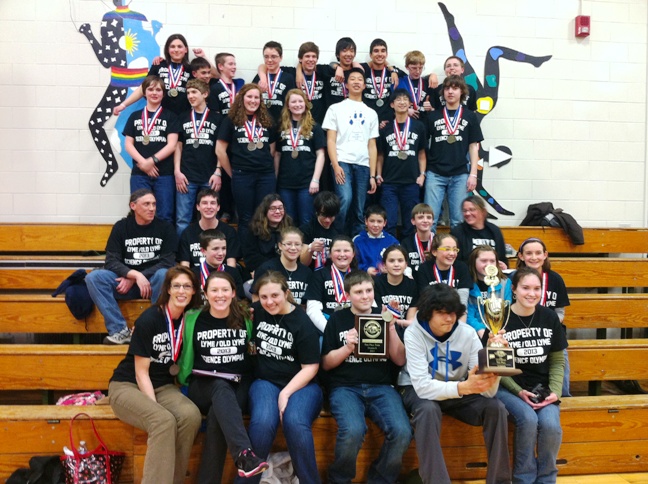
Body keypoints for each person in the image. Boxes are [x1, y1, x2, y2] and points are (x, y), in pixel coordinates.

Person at [398, 283, 511, 484]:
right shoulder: (413, 333)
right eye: (441, 313)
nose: (449, 318)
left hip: (458, 389)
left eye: (452, 313)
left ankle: (500, 481)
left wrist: (494, 371)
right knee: (427, 410)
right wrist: (463, 387)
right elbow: (422, 387)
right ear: (427, 313)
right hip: (418, 390)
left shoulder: (467, 333)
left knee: (496, 408)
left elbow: (487, 391)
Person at [108, 266, 202, 484]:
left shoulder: (190, 319)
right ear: (167, 289)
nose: (182, 291)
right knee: (163, 421)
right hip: (128, 385)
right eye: (176, 285)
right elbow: (141, 373)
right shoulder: (150, 319)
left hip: (163, 385)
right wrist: (155, 407)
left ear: (194, 291)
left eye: (187, 286)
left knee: (190, 416)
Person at [322, 270, 412, 483]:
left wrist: (390, 328)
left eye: (369, 290)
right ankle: (339, 480)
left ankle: (379, 479)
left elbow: (399, 360)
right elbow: (325, 363)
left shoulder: (384, 316)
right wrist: (347, 348)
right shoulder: (337, 318)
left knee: (402, 431)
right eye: (359, 291)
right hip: (345, 387)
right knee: (353, 430)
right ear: (348, 295)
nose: (365, 296)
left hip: (381, 387)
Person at [177, 271, 268, 482]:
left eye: (225, 290)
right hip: (203, 385)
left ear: (234, 292)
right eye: (214, 290)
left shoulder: (245, 317)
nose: (220, 295)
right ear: (206, 294)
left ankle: (240, 460)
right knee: (219, 386)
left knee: (219, 415)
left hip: (238, 384)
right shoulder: (192, 319)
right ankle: (244, 454)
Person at [248, 271, 322, 484]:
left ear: (286, 293)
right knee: (262, 423)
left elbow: (310, 367)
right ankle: (246, 481)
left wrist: (286, 393)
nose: (269, 302)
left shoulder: (302, 321)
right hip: (265, 381)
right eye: (263, 297)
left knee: (295, 422)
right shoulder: (257, 311)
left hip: (302, 384)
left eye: (275, 296)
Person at [497, 267, 568, 484]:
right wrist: (518, 391)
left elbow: (557, 360)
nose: (532, 293)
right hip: (509, 387)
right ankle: (523, 480)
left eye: (537, 288)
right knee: (527, 420)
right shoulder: (500, 317)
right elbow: (498, 368)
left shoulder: (548, 316)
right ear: (514, 290)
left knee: (551, 427)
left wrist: (555, 391)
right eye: (526, 288)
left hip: (542, 388)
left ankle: (547, 480)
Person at [86, 189, 177, 344]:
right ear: (133, 206)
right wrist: (133, 275)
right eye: (146, 204)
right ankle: (119, 330)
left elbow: (168, 261)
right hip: (125, 283)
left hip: (154, 285)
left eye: (154, 204)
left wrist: (140, 276)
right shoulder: (121, 227)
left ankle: (155, 330)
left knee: (164, 274)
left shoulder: (165, 228)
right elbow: (111, 261)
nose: (152, 208)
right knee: (93, 277)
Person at [216, 83, 277, 242]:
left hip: (266, 175)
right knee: (245, 218)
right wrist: (233, 174)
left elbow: (271, 149)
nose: (253, 100)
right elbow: (220, 150)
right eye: (249, 96)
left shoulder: (266, 119)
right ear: (241, 98)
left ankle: (263, 253)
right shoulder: (231, 120)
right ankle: (246, 256)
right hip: (242, 175)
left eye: (257, 97)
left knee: (264, 215)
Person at [322, 67, 379, 236]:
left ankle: (357, 245)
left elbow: (372, 145)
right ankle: (338, 238)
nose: (356, 81)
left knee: (359, 208)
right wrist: (335, 165)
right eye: (352, 79)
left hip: (363, 164)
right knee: (344, 200)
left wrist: (373, 175)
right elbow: (330, 140)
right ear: (346, 84)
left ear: (364, 85)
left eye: (359, 79)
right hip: (342, 162)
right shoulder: (335, 108)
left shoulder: (371, 113)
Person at [425, 75, 483, 230]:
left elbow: (473, 146)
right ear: (443, 92)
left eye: (455, 88)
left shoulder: (470, 116)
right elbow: (423, 146)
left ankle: (459, 254)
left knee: (458, 221)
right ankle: (429, 253)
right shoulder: (433, 116)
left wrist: (473, 174)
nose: (450, 92)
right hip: (435, 173)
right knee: (430, 220)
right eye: (447, 88)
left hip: (460, 174)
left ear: (462, 92)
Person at [516, 237, 571, 397]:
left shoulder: (555, 279)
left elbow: (560, 312)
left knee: (561, 364)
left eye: (538, 253)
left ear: (545, 255)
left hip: (552, 335)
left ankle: (563, 397)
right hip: (522, 335)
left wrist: (547, 324)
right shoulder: (514, 278)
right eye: (529, 253)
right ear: (520, 256)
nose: (534, 257)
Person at [122, 75, 179, 224]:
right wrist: (144, 163)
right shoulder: (135, 116)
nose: (154, 93)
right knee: (140, 213)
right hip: (140, 173)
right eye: (150, 89)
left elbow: (172, 145)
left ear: (163, 94)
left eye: (158, 90)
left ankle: (165, 248)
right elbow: (128, 144)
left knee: (165, 215)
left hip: (164, 173)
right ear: (144, 92)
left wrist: (152, 161)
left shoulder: (170, 116)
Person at [174, 79, 223, 236]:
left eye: (194, 92)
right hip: (186, 176)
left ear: (205, 94)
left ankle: (209, 251)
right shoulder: (182, 117)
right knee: (182, 220)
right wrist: (177, 171)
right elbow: (178, 146)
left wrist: (218, 172)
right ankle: (183, 257)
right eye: (188, 93)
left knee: (210, 217)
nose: (190, 96)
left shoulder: (217, 118)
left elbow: (222, 148)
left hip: (209, 176)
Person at [376, 88, 427, 237]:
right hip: (389, 182)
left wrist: (422, 174)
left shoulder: (419, 127)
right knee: (389, 222)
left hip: (411, 181)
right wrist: (378, 175)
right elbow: (380, 155)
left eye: (405, 99)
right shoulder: (386, 128)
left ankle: (407, 255)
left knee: (409, 223)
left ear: (410, 103)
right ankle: (389, 253)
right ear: (392, 104)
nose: (402, 102)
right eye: (398, 99)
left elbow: (422, 153)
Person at [275, 89, 326, 226]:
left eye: (300, 101)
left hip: (307, 183)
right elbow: (277, 154)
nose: (297, 105)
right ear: (288, 105)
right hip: (285, 183)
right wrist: (275, 177)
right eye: (293, 102)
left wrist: (315, 180)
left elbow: (321, 154)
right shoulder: (281, 127)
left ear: (306, 104)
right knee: (288, 221)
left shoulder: (315, 127)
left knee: (306, 220)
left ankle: (306, 247)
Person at [114, 34, 194, 116]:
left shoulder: (191, 69)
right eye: (172, 47)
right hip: (159, 116)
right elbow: (143, 87)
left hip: (182, 115)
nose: (176, 50)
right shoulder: (158, 65)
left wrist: (202, 56)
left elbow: (204, 84)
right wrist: (123, 105)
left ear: (186, 50)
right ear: (167, 49)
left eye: (179, 46)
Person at [304, 235, 357, 333]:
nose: (342, 254)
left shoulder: (360, 276)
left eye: (346, 251)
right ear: (330, 254)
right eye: (337, 251)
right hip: (327, 325)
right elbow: (312, 310)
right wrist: (330, 331)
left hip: (355, 325)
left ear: (353, 253)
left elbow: (370, 304)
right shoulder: (319, 275)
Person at [177, 189, 239, 268]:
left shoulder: (229, 232)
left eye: (213, 203)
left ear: (218, 207)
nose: (209, 207)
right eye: (204, 203)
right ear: (198, 207)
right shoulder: (188, 232)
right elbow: (185, 265)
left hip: (222, 277)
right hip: (196, 278)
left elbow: (231, 265)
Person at [252, 227, 312, 305]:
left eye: (297, 244)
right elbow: (256, 298)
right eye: (288, 244)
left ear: (302, 247)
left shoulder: (307, 272)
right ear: (280, 246)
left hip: (299, 315)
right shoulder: (266, 269)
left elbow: (308, 303)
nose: (293, 248)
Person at [373, 245, 419, 341]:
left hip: (406, 331)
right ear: (384, 265)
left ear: (406, 264)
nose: (396, 264)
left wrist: (395, 321)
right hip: (382, 329)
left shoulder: (413, 285)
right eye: (391, 261)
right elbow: (377, 315)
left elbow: (410, 321)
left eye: (400, 260)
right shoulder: (376, 283)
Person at [466, 245, 512, 339]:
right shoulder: (467, 284)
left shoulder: (505, 283)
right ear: (473, 262)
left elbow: (508, 311)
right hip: (474, 333)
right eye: (483, 261)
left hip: (501, 332)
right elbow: (468, 315)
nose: (489, 265)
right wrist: (482, 331)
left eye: (492, 261)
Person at [241, 194, 293, 276]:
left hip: (287, 271)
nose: (278, 211)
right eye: (273, 208)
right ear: (265, 211)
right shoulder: (254, 229)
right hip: (262, 271)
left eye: (280, 208)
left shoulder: (290, 227)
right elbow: (251, 257)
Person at [415, 233, 472, 307]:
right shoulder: (424, 269)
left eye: (455, 249)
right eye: (447, 249)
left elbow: (462, 303)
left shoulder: (461, 267)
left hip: (457, 313)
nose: (452, 253)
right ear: (434, 252)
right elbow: (426, 300)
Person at [452, 195, 508, 270]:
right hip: (468, 275)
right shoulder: (457, 232)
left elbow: (502, 258)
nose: (467, 214)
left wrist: (504, 266)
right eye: (465, 211)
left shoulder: (495, 231)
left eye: (472, 209)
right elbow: (456, 261)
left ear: (483, 211)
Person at [192, 229, 244, 300]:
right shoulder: (193, 274)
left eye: (224, 248)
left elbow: (239, 300)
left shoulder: (233, 273)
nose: (221, 253)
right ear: (203, 251)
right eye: (215, 249)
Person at [252, 41, 296, 122]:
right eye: (266, 56)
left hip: (281, 122)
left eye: (273, 56)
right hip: (261, 122)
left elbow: (291, 100)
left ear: (281, 57)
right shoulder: (259, 77)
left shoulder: (288, 77)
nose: (269, 60)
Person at [360, 38, 399, 127]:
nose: (380, 54)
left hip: (387, 122)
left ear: (386, 54)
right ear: (370, 55)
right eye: (376, 51)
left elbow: (413, 75)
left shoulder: (393, 72)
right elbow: (347, 65)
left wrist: (432, 75)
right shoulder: (363, 69)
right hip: (367, 121)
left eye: (383, 51)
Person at [299, 191, 341, 270]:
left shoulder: (339, 231)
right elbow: (303, 262)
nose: (328, 220)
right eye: (324, 215)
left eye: (331, 216)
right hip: (310, 272)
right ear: (317, 212)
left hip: (331, 273)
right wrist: (310, 248)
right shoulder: (306, 229)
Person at [353, 205, 399, 275]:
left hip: (386, 279)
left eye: (379, 221)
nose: (375, 225)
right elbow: (352, 263)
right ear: (366, 221)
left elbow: (399, 261)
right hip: (364, 278)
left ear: (385, 223)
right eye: (372, 221)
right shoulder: (357, 240)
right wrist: (366, 269)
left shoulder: (392, 241)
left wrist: (389, 268)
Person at [399, 50, 434, 123]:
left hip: (424, 123)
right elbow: (392, 103)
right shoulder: (400, 82)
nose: (418, 71)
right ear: (407, 67)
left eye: (421, 68)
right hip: (405, 123)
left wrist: (430, 108)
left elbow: (436, 108)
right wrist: (405, 110)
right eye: (414, 68)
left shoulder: (428, 83)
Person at [400, 203, 434, 273]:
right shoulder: (406, 243)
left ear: (433, 221)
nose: (425, 220)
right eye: (420, 217)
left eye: (429, 217)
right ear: (413, 221)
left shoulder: (439, 241)